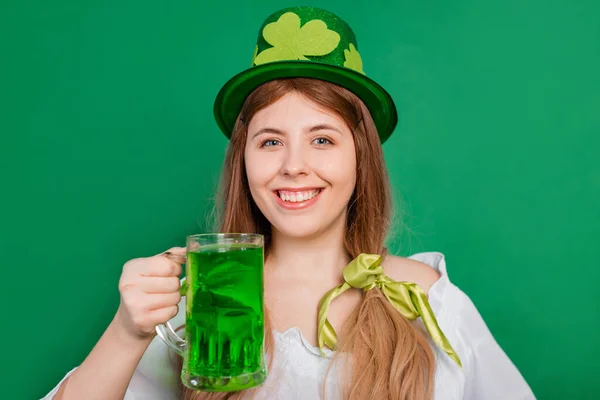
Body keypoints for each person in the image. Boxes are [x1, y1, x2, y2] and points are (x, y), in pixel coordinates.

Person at [43, 6, 535, 400]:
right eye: (270, 142)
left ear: (360, 158)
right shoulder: (207, 301)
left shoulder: (428, 302)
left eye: (322, 140)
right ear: (244, 162)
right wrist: (128, 333)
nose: (293, 166)